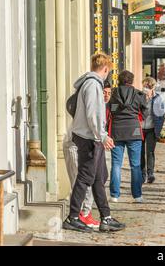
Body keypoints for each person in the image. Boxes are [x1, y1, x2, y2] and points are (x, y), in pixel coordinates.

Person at [63, 53, 125, 233]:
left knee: (98, 178)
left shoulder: (89, 83)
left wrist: (101, 134)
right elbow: (93, 113)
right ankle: (73, 217)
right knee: (85, 177)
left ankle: (106, 217)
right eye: (109, 72)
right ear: (105, 69)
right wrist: (102, 135)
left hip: (91, 136)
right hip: (89, 137)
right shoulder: (92, 84)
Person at [62, 81, 113, 229]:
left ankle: (101, 216)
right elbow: (92, 122)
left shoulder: (102, 106)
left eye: (109, 94)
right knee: (83, 180)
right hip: (80, 144)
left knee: (98, 178)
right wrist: (102, 137)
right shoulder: (89, 103)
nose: (106, 96)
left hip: (94, 143)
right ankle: (77, 216)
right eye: (104, 93)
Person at [109, 70, 148, 203]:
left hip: (117, 131)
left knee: (116, 164)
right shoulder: (138, 94)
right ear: (132, 80)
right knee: (135, 165)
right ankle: (137, 195)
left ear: (119, 80)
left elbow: (111, 111)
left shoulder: (113, 93)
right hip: (134, 130)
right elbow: (145, 112)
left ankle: (114, 195)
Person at [141, 77, 165, 184]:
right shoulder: (138, 97)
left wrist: (158, 130)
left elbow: (161, 116)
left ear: (153, 87)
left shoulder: (158, 98)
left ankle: (150, 174)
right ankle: (142, 174)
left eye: (149, 86)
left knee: (150, 152)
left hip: (151, 129)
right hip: (140, 128)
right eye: (145, 86)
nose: (147, 88)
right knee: (140, 152)